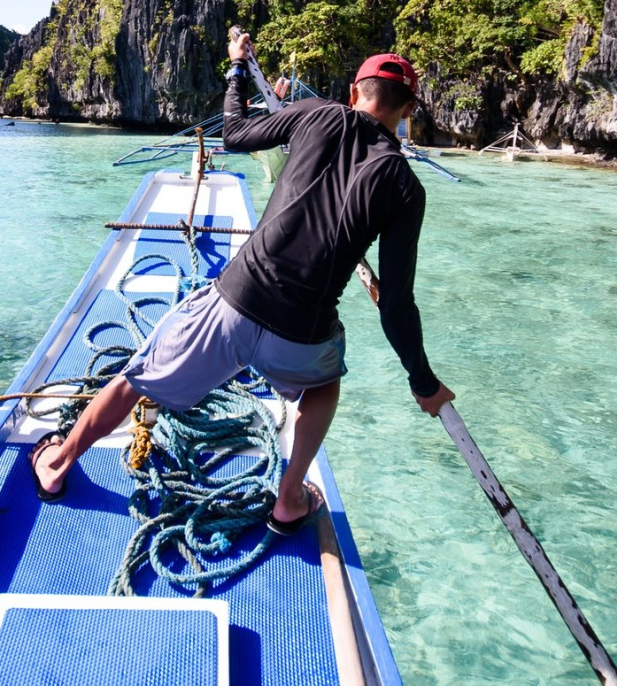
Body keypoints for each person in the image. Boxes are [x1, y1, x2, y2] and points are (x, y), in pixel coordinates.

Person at [29, 32, 454, 533]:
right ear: (406, 111)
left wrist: (235, 69)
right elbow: (396, 304)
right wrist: (423, 383)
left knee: (133, 378)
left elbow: (234, 133)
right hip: (302, 334)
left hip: (234, 303)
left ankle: (56, 466)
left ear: (353, 92)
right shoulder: (407, 186)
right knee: (325, 385)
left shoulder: (317, 113)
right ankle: (289, 499)